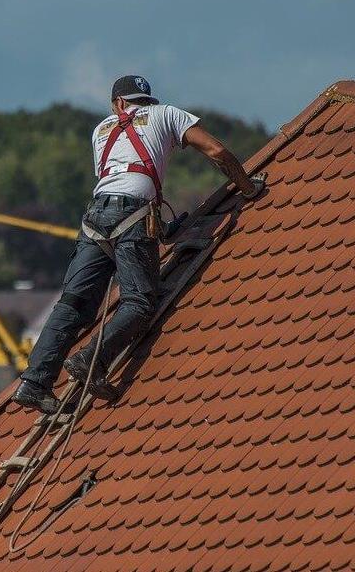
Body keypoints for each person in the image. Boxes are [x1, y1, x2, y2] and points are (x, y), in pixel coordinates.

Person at [13, 75, 264, 414]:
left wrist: (156, 230)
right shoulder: (166, 114)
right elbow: (216, 151)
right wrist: (247, 187)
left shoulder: (101, 130)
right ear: (146, 100)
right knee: (140, 301)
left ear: (118, 104)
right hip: (132, 215)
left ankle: (34, 382)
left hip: (94, 219)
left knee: (73, 303)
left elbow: (119, 178)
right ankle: (91, 360)